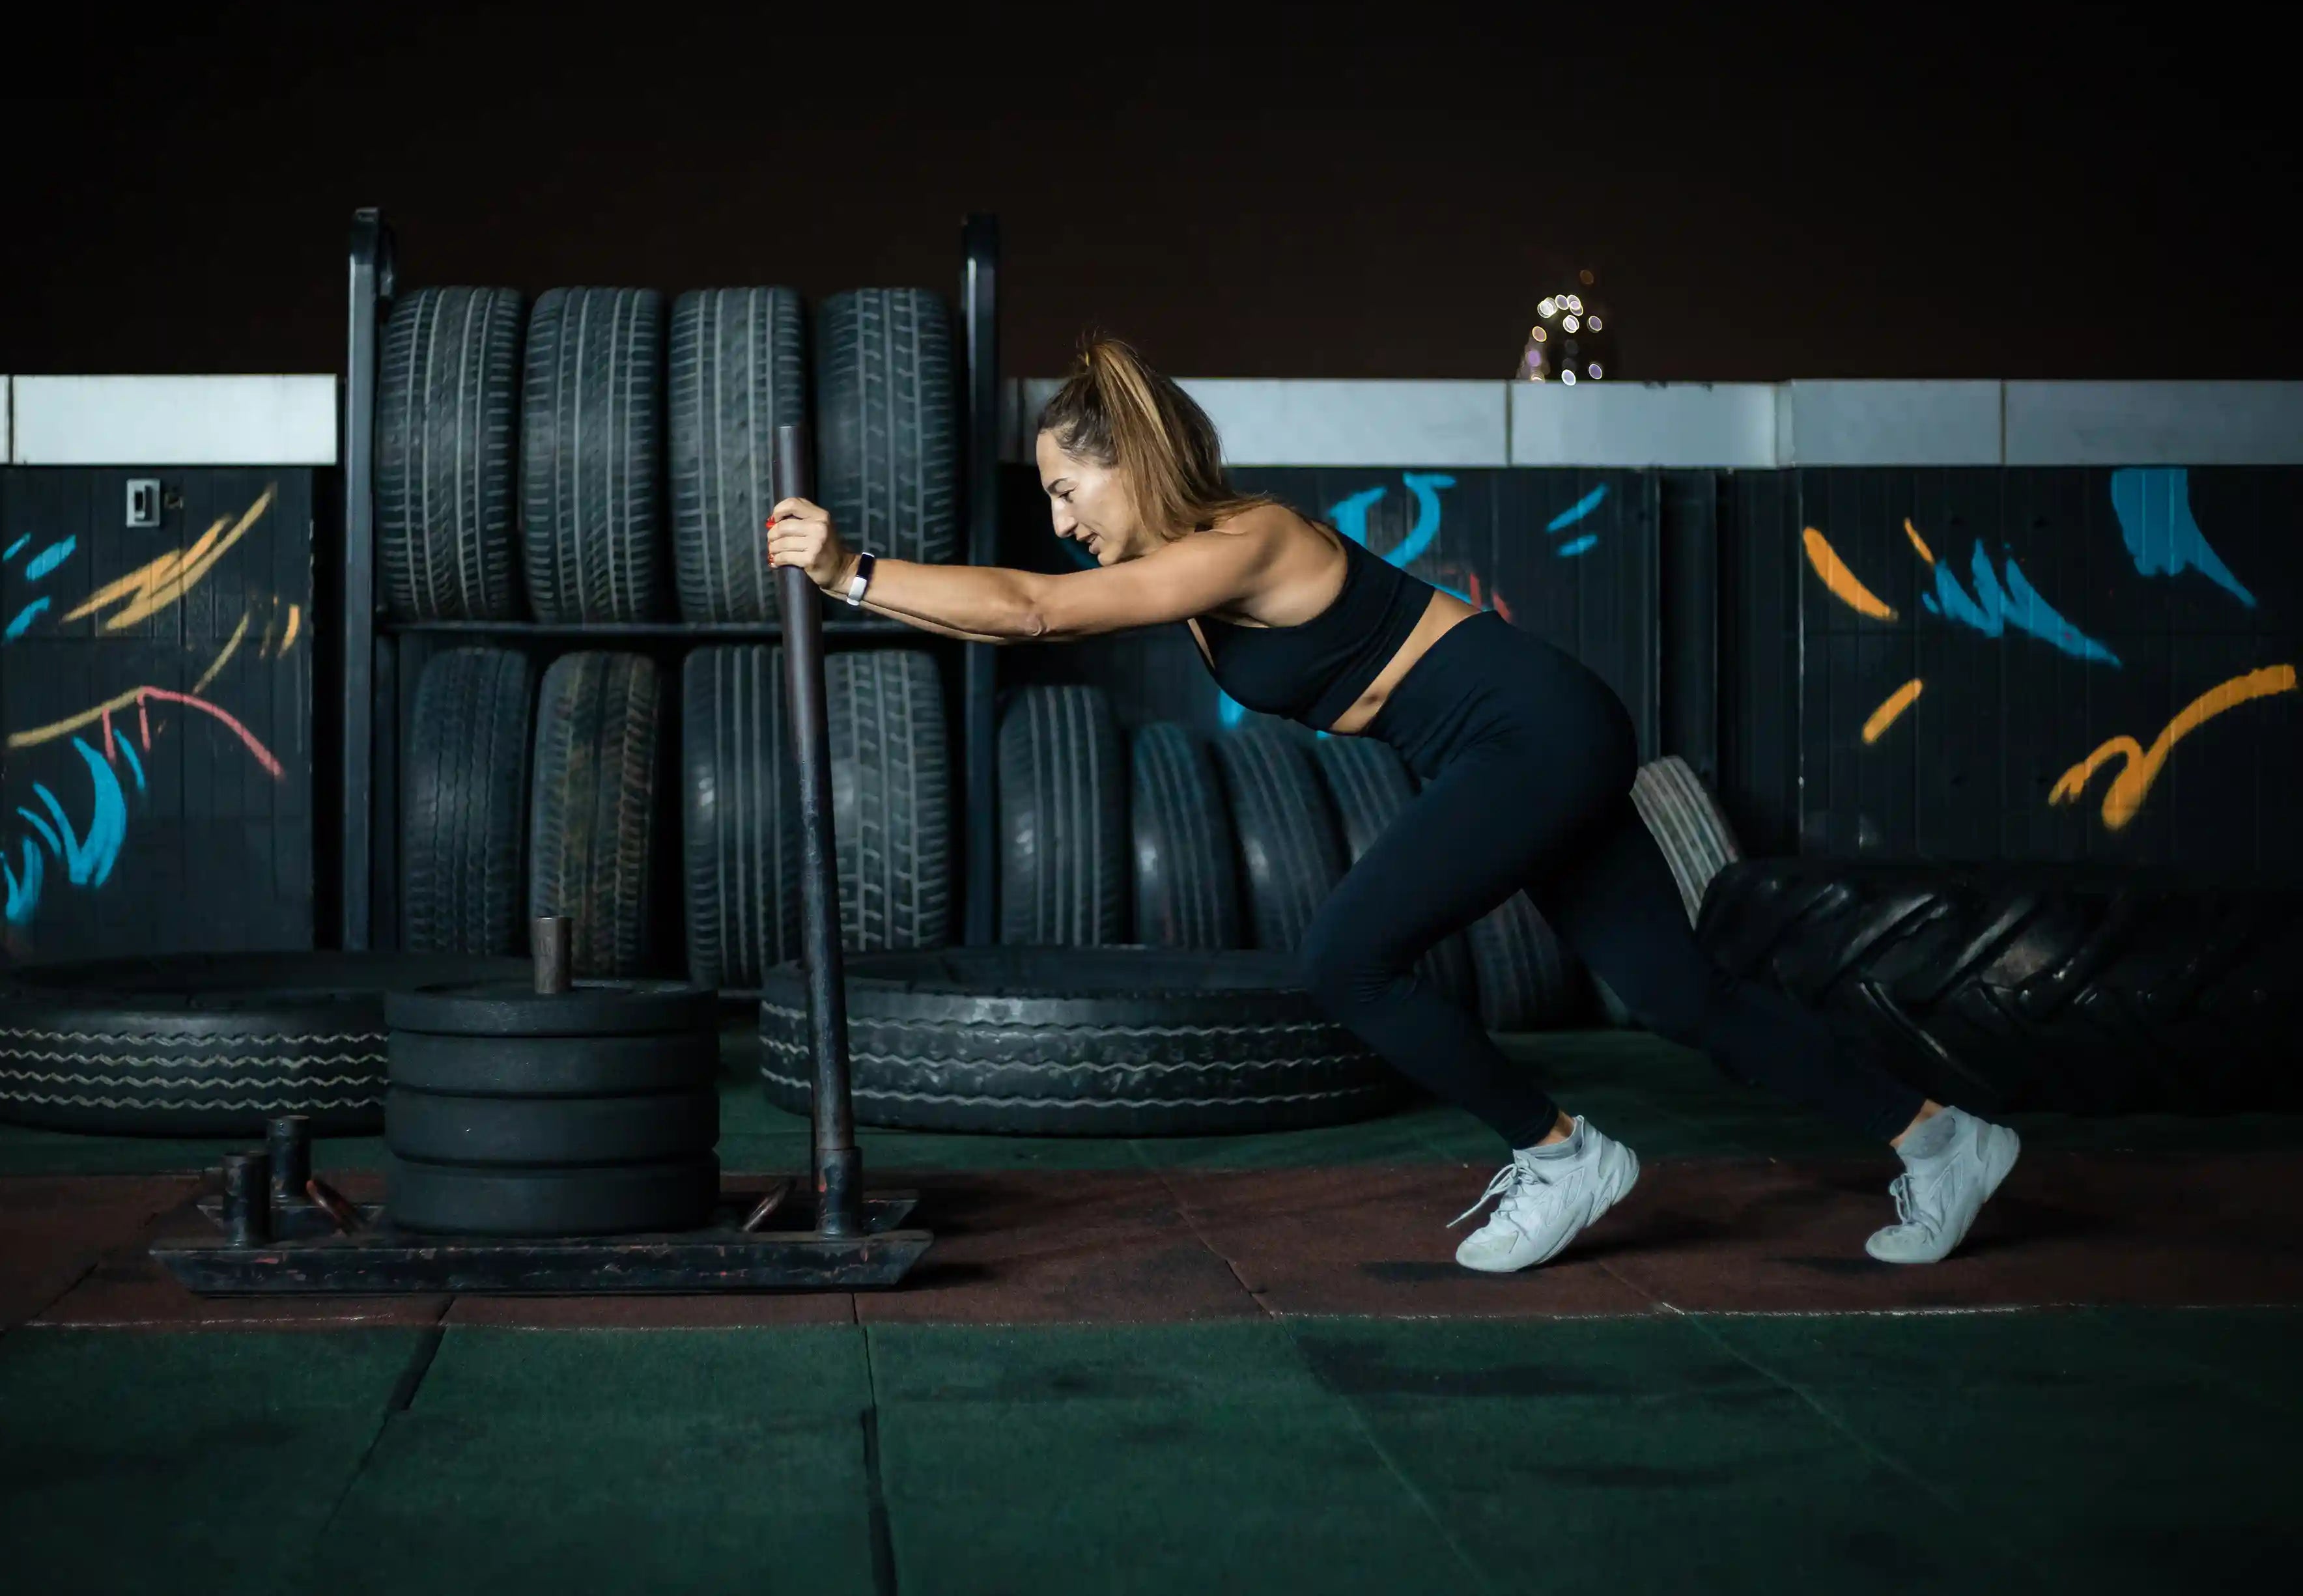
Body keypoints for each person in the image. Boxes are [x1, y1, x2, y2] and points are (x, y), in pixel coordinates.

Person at [765, 336, 2018, 1272]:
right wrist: (851, 588)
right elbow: (1022, 617)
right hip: (1520, 741)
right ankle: (1939, 1140)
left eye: (1066, 493)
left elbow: (1031, 609)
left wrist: (849, 565)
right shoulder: (1191, 584)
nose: (1058, 520)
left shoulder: (1248, 539)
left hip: (1530, 732)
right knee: (1681, 995)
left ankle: (1563, 1155)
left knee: (1346, 958)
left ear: (1133, 467)